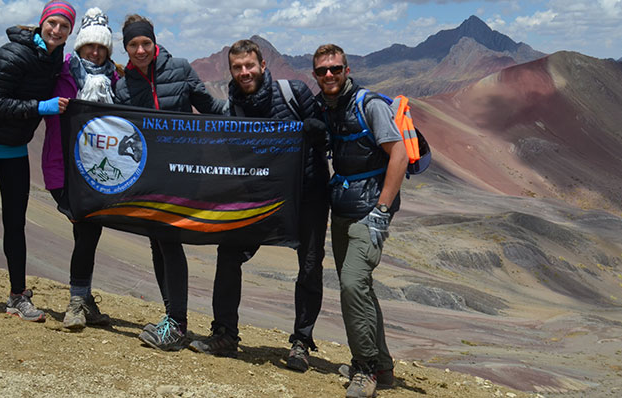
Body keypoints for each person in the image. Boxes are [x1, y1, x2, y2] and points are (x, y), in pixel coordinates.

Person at [187, 40, 330, 371]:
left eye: (249, 65)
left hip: (307, 194)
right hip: (261, 196)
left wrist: (317, 133)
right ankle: (224, 334)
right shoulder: (233, 106)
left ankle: (300, 343)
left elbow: (326, 134)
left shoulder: (295, 93)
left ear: (263, 65)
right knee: (229, 252)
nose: (244, 72)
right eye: (237, 67)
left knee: (309, 265)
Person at [0, 1, 75, 322]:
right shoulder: (10, 54)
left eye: (64, 27)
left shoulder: (55, 57)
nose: (57, 31)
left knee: (16, 224)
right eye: (53, 24)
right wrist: (41, 107)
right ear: (42, 23)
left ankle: (17, 297)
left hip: (14, 148)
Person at [113, 14, 227, 351]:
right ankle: (172, 318)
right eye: (133, 45)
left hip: (184, 170)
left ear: (154, 41)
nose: (140, 50)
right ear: (126, 47)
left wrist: (252, 115)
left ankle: (176, 324)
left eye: (145, 42)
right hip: (149, 174)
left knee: (168, 239)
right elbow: (123, 131)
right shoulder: (123, 85)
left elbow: (208, 106)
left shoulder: (179, 68)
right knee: (158, 243)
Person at [312, 44, 406, 398]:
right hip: (343, 208)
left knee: (352, 283)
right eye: (322, 71)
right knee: (358, 290)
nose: (329, 75)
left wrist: (382, 212)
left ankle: (364, 369)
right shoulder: (327, 107)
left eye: (335, 69)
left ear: (347, 69)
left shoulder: (371, 106)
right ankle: (382, 367)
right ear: (316, 75)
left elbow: (398, 153)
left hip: (370, 211)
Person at [41, 6, 121, 331]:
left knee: (88, 231)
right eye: (91, 44)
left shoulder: (116, 78)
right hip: (64, 166)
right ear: (80, 45)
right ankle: (77, 301)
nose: (96, 51)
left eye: (102, 46)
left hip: (100, 170)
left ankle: (82, 298)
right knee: (86, 229)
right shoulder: (59, 74)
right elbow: (39, 108)